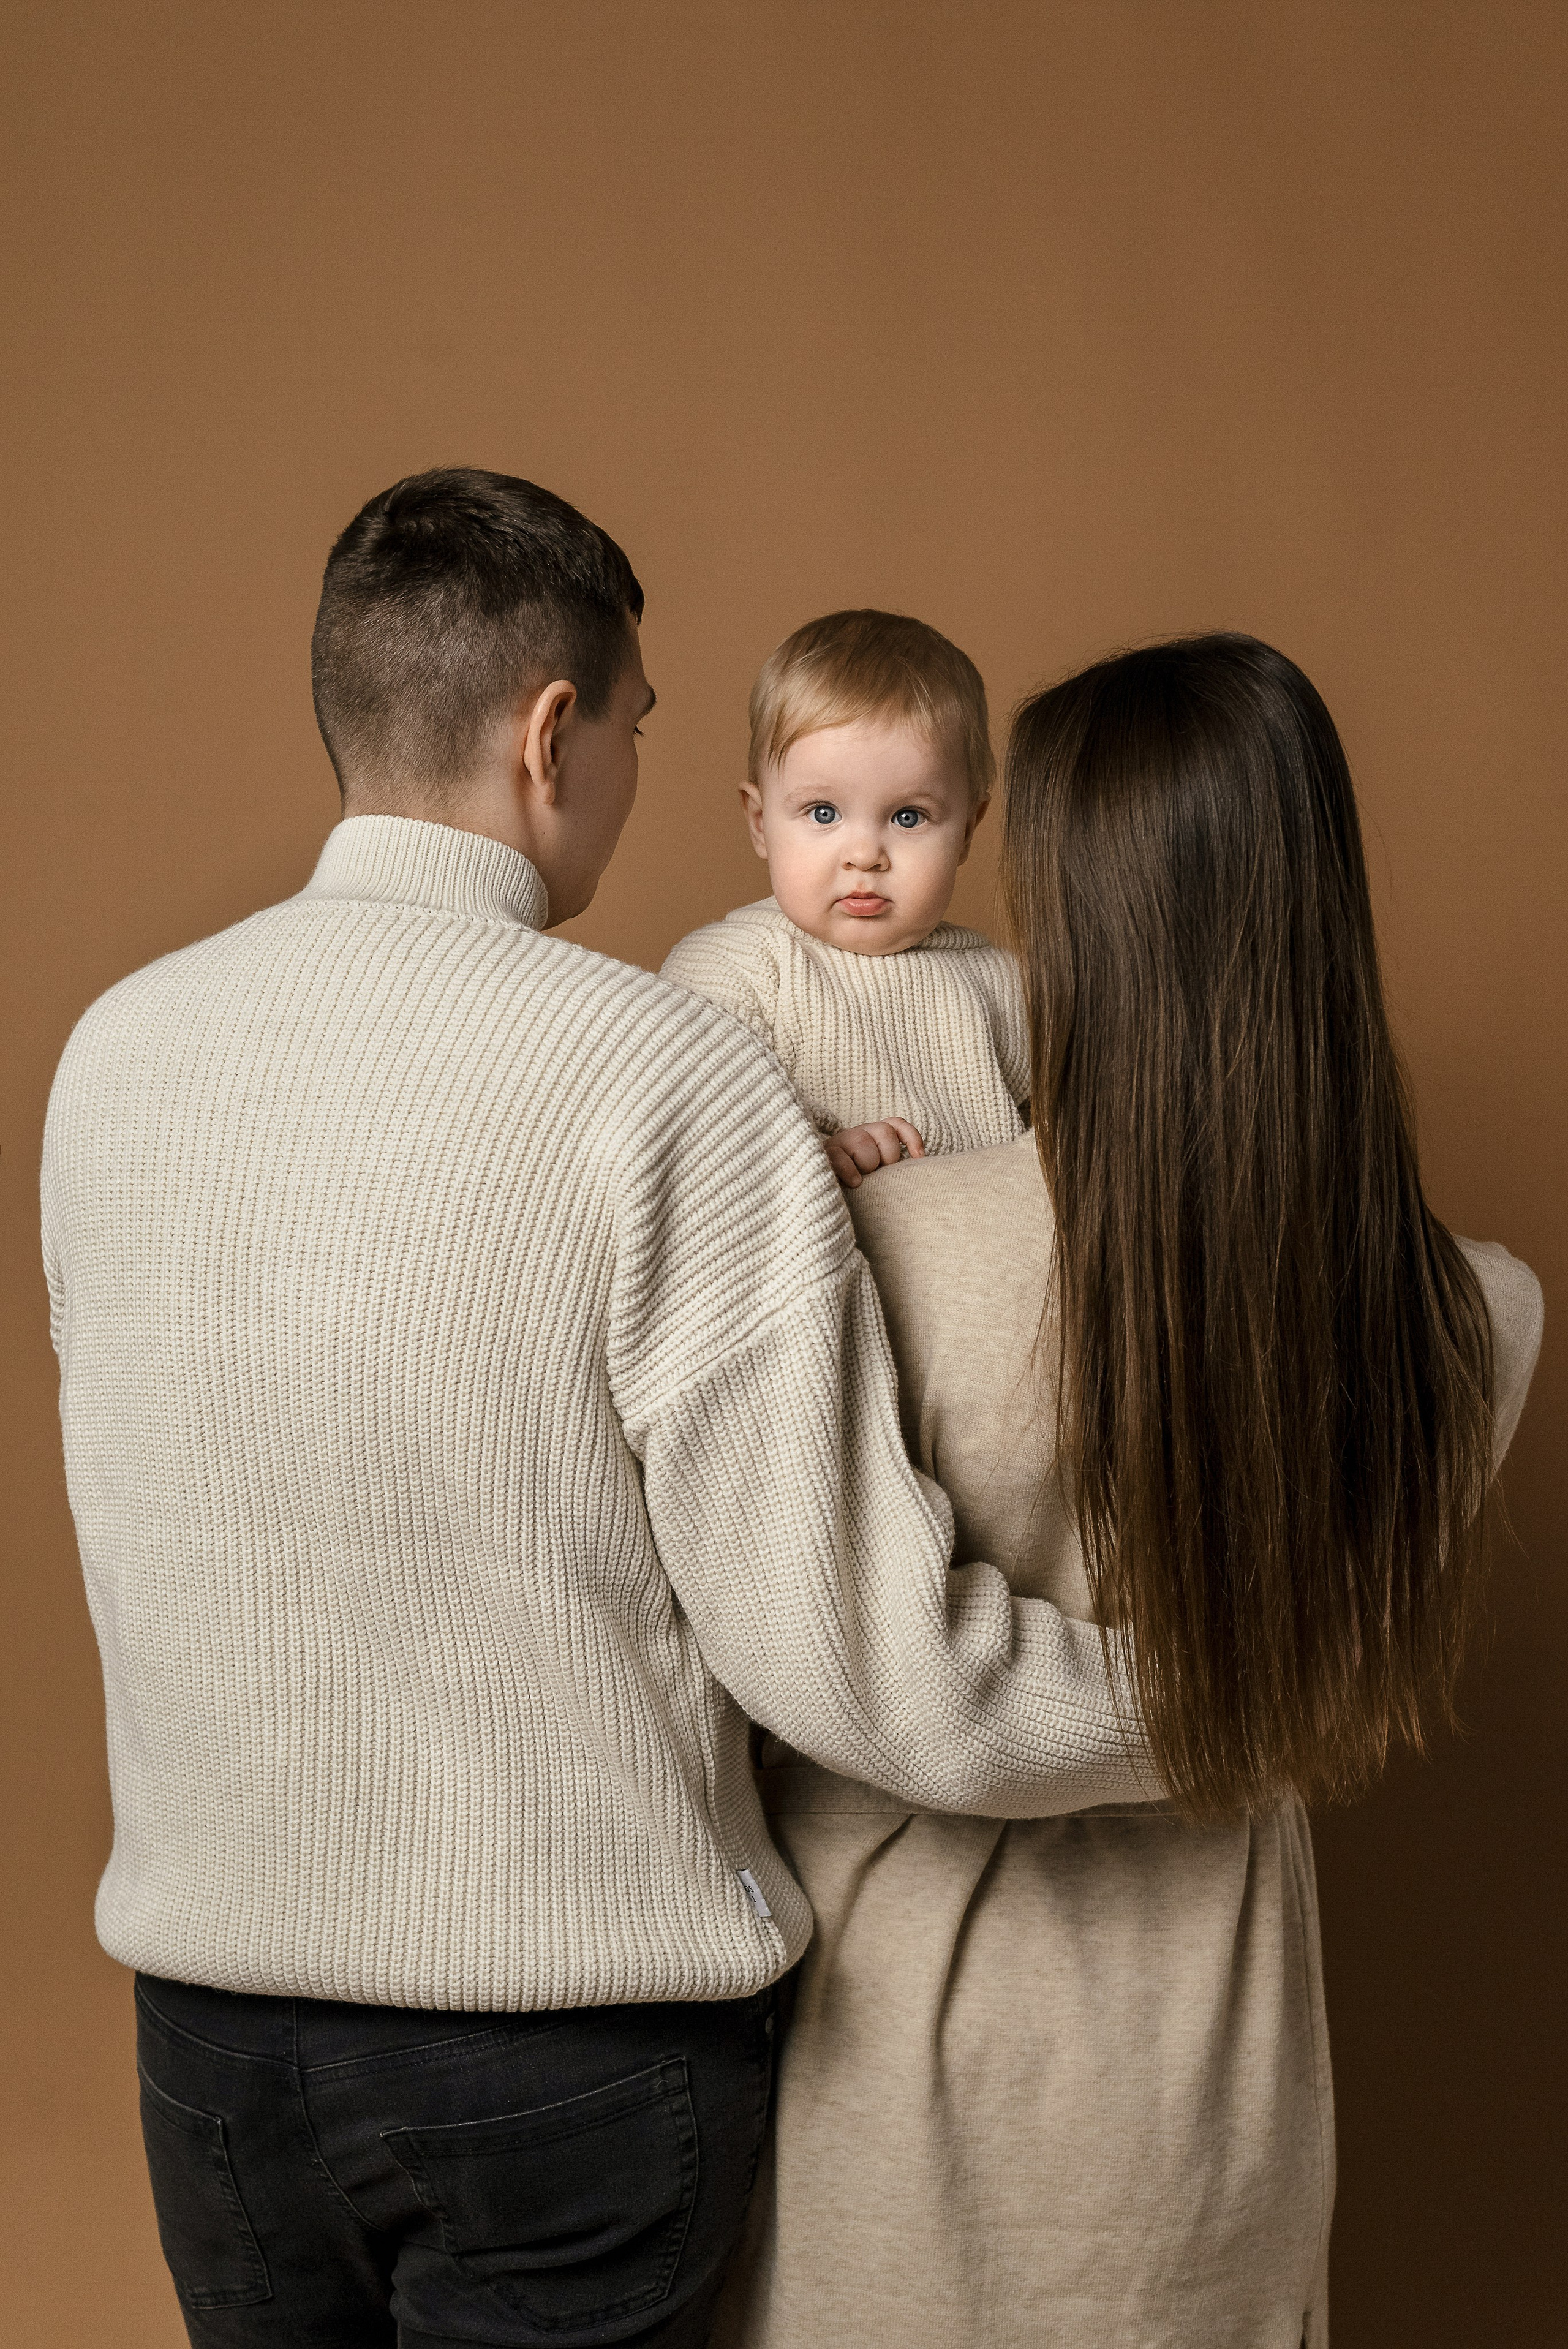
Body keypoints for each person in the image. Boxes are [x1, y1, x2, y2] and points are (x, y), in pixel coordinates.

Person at [40, 469, 1153, 2349]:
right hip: (564, 2057)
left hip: (208, 2048)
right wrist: (1213, 1692)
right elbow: (872, 1666)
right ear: (552, 734)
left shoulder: (111, 1052)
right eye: (639, 726)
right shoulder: (664, 1072)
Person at [714, 634, 1544, 2349]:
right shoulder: (1477, 1320)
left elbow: (752, 1672)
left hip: (906, 2111)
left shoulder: (872, 1246)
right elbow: (1292, 1672)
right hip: (1223, 2126)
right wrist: (1239, 1679)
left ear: (1058, 912)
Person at [662, 609, 1025, 1186]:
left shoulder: (1002, 984)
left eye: (909, 816)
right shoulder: (731, 971)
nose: (865, 855)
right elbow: (694, 1143)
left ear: (968, 832)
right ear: (760, 822)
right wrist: (813, 1152)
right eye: (823, 812)